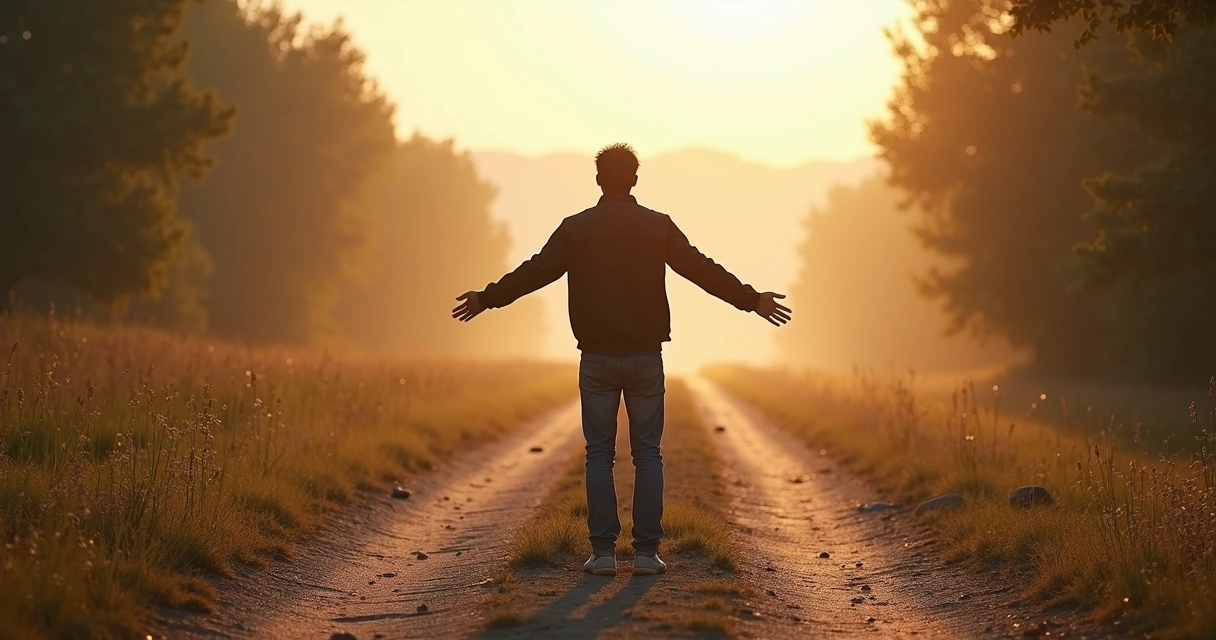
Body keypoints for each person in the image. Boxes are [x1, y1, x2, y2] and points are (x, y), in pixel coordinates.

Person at [452, 143, 791, 577]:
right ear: (634, 179)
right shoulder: (658, 227)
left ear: (598, 180)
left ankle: (604, 554)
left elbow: (536, 271)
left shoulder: (575, 229)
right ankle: (647, 554)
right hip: (646, 357)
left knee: (599, 455)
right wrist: (751, 300)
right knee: (648, 453)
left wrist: (488, 298)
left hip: (595, 358)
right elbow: (700, 269)